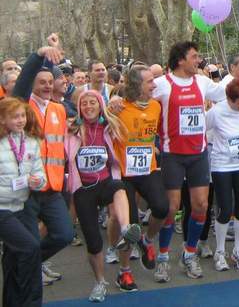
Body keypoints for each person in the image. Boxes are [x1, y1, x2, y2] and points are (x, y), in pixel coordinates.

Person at [144, 41, 228, 281]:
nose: (198, 60)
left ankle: (189, 254)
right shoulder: (162, 84)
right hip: (172, 154)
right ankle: (162, 257)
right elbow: (138, 94)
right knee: (171, 209)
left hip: (198, 153)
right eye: (194, 56)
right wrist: (119, 101)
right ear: (180, 60)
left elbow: (226, 92)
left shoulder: (202, 82)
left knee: (201, 205)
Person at [65, 90, 142, 301]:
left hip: (106, 182)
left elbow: (131, 106)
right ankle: (100, 282)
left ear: (101, 106)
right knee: (93, 242)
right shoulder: (71, 128)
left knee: (119, 187)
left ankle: (126, 228)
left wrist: (117, 101)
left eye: (93, 103)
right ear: (79, 108)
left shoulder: (110, 126)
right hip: (84, 189)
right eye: (84, 104)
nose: (88, 107)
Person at [12, 35, 74, 284]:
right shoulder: (22, 107)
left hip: (52, 189)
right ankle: (25, 271)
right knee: (25, 241)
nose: (48, 86)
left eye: (51, 82)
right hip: (27, 189)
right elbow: (24, 81)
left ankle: (30, 262)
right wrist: (39, 55)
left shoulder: (60, 109)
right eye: (43, 82)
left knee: (64, 235)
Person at [114, 65, 169, 279]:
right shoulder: (119, 107)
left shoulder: (155, 106)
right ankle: (124, 271)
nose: (154, 84)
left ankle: (147, 241)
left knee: (162, 207)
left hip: (148, 169)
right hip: (124, 172)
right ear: (137, 85)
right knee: (130, 225)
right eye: (149, 82)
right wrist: (111, 102)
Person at [0, 97, 47, 307]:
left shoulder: (31, 141)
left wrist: (37, 181)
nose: (20, 121)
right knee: (29, 248)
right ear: (2, 120)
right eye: (14, 117)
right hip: (2, 209)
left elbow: (40, 174)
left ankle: (14, 302)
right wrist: (17, 181)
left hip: (20, 205)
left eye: (22, 116)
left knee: (15, 256)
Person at [205, 78, 239, 271]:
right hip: (222, 166)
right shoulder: (217, 112)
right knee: (225, 209)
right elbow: (203, 129)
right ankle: (220, 251)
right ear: (229, 99)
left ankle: (238, 250)